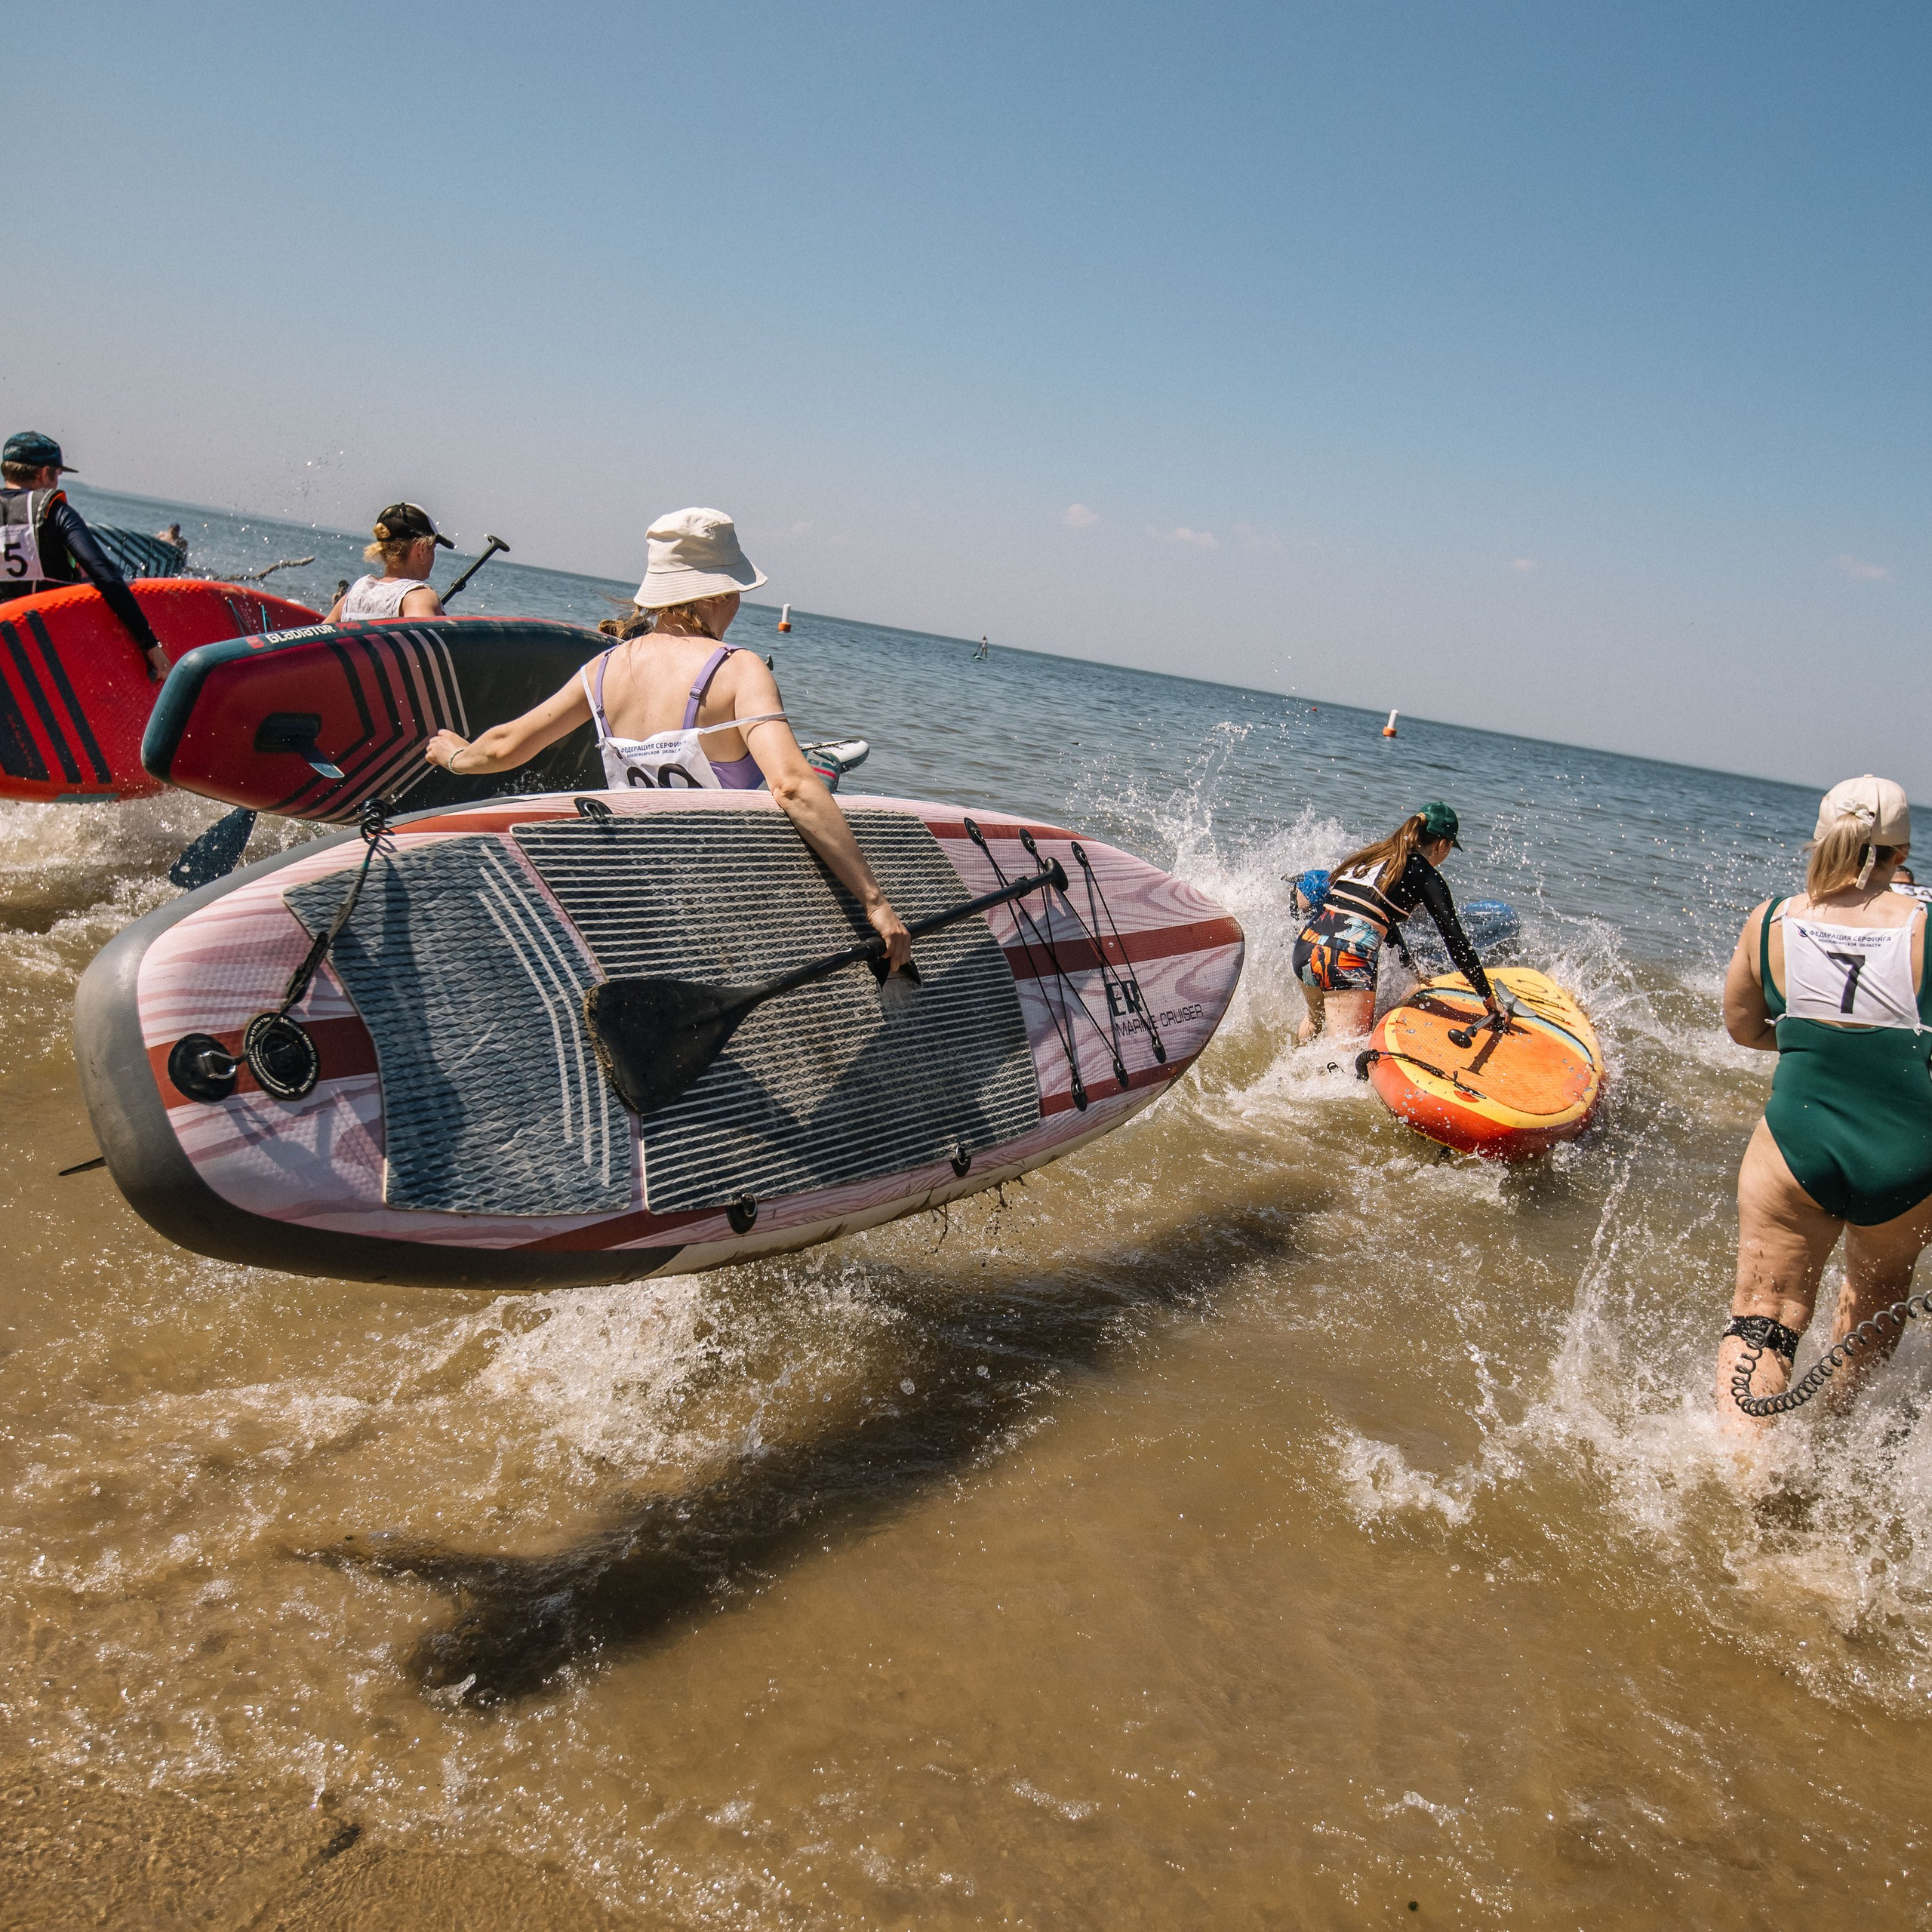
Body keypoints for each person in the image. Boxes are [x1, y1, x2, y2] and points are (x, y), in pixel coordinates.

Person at [423, 506, 911, 969]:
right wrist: (876, 903)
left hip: (646, 897)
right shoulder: (740, 669)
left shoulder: (603, 668)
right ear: (717, 594)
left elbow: (508, 746)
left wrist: (454, 758)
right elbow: (791, 787)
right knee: (807, 783)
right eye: (737, 589)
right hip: (729, 903)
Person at [1716, 776, 1932, 1431]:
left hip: (1795, 1146)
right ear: (1901, 852)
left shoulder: (1775, 916)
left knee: (1763, 1314)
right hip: (1907, 1156)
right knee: (1876, 1297)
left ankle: (1747, 1483)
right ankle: (1835, 1429)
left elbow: (1744, 1027)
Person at [1291, 802, 1500, 1042]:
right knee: (1346, 1053)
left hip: (1307, 945)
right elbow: (1457, 943)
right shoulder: (1426, 875)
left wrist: (1410, 971)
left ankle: (1286, 1072)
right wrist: (1488, 997)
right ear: (1443, 844)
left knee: (1314, 1023)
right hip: (1345, 958)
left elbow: (1378, 920)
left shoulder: (1372, 856)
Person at [0, 432, 168, 679]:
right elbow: (103, 573)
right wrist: (151, 645)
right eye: (58, 474)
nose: (57, 481)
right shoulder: (54, 511)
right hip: (45, 641)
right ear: (43, 473)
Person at [325, 503, 451, 622]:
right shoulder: (419, 598)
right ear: (421, 549)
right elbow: (427, 643)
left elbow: (319, 640)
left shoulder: (351, 599)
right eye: (433, 549)